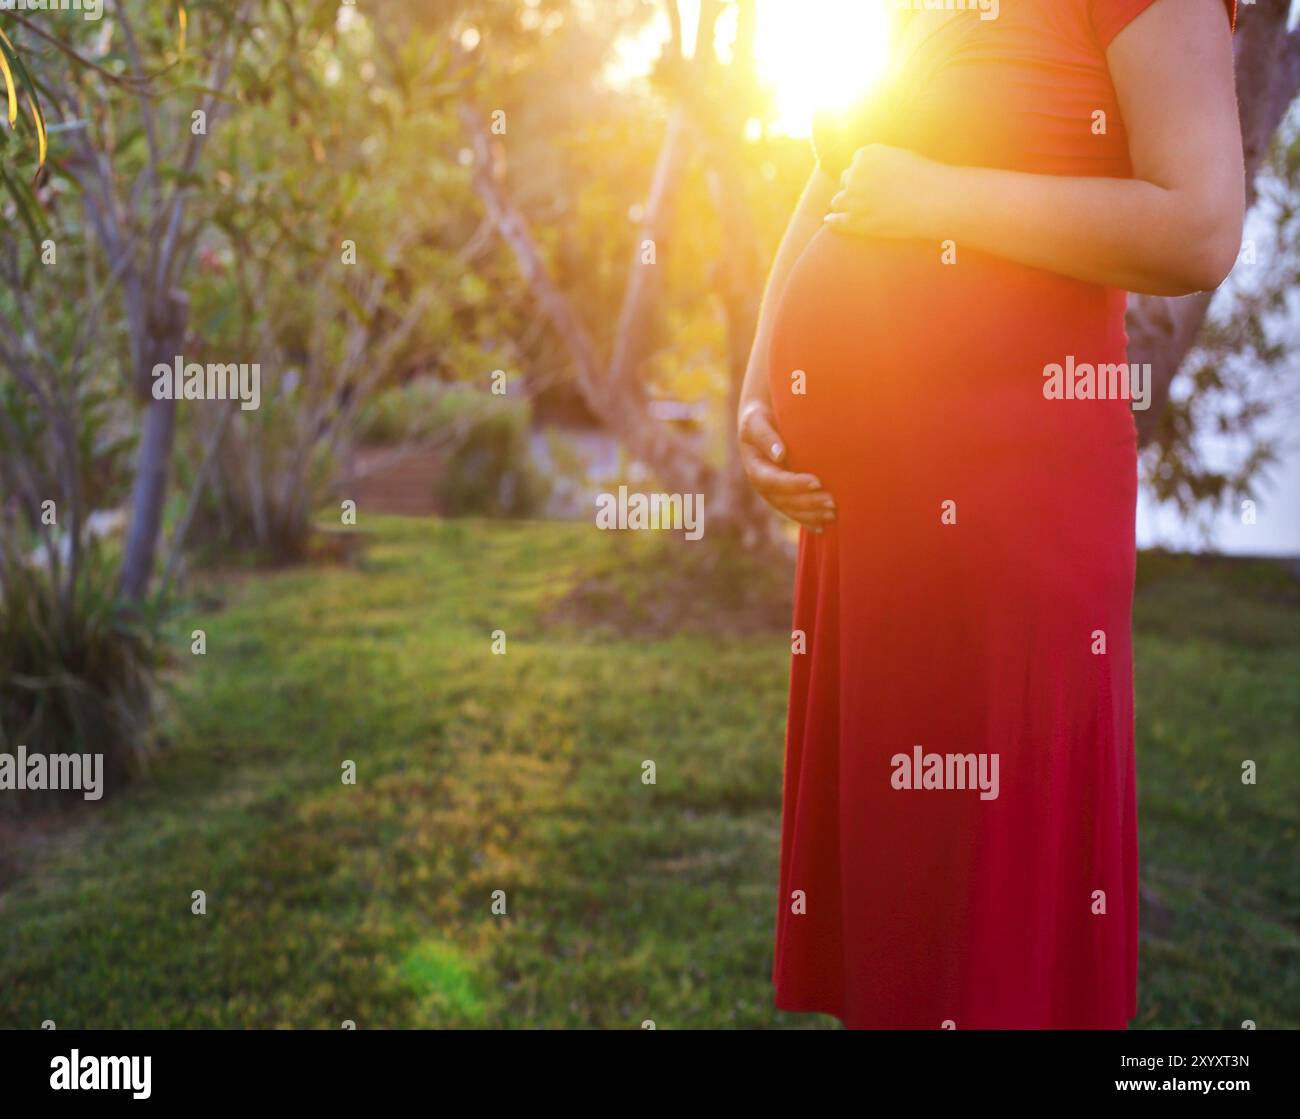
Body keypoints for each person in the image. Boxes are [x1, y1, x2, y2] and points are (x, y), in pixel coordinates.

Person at [737, 0, 1244, 1028]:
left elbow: (1197, 223)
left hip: (1011, 509)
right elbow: (836, 175)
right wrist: (759, 386)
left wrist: (940, 199)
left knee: (988, 919)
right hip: (866, 522)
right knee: (899, 904)